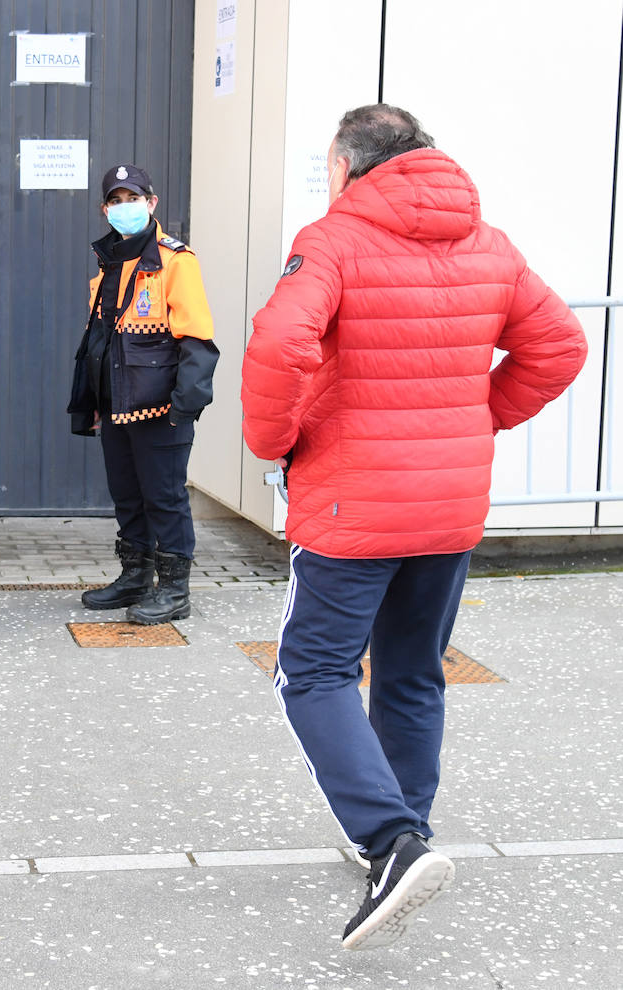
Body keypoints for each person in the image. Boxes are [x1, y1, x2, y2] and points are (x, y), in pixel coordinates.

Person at [242, 104, 587, 949]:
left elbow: (281, 340)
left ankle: (388, 841)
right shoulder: (490, 245)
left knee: (313, 673)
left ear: (351, 165)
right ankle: (408, 834)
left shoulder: (332, 241)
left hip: (351, 505)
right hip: (448, 508)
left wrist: (276, 441)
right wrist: (479, 422)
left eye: (328, 166)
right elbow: (562, 346)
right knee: (412, 673)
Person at [68, 164, 219, 624]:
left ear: (151, 204)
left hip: (160, 406)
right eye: (115, 200)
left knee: (164, 495)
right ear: (105, 209)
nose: (123, 207)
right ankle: (136, 576)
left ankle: (174, 588)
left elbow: (197, 339)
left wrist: (184, 406)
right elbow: (99, 340)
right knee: (127, 495)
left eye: (132, 198)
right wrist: (92, 401)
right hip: (117, 403)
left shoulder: (176, 261)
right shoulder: (108, 261)